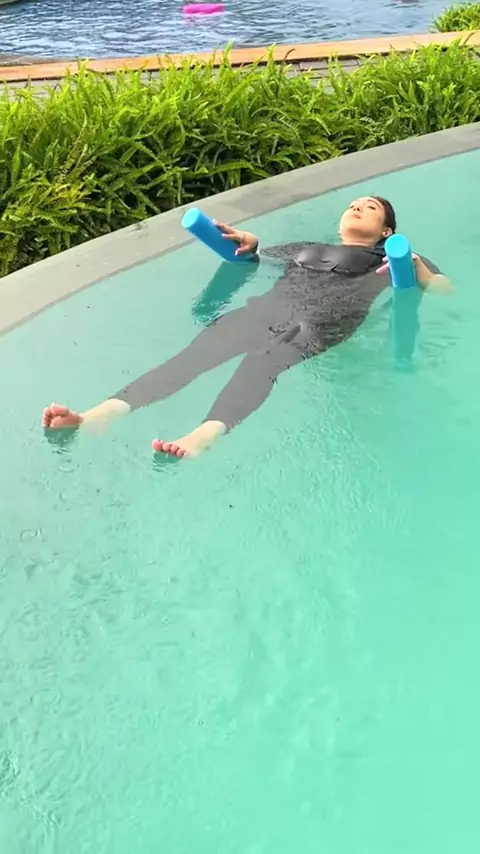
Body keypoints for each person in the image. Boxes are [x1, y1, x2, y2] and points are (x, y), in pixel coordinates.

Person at [42, 196, 451, 456]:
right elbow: (257, 259)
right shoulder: (306, 248)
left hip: (319, 321)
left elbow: (445, 292)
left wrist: (420, 272)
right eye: (353, 205)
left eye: (370, 208)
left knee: (261, 364)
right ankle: (99, 415)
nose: (357, 207)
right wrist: (251, 245)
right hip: (263, 310)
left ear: (386, 231)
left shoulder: (396, 259)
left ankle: (203, 436)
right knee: (193, 356)